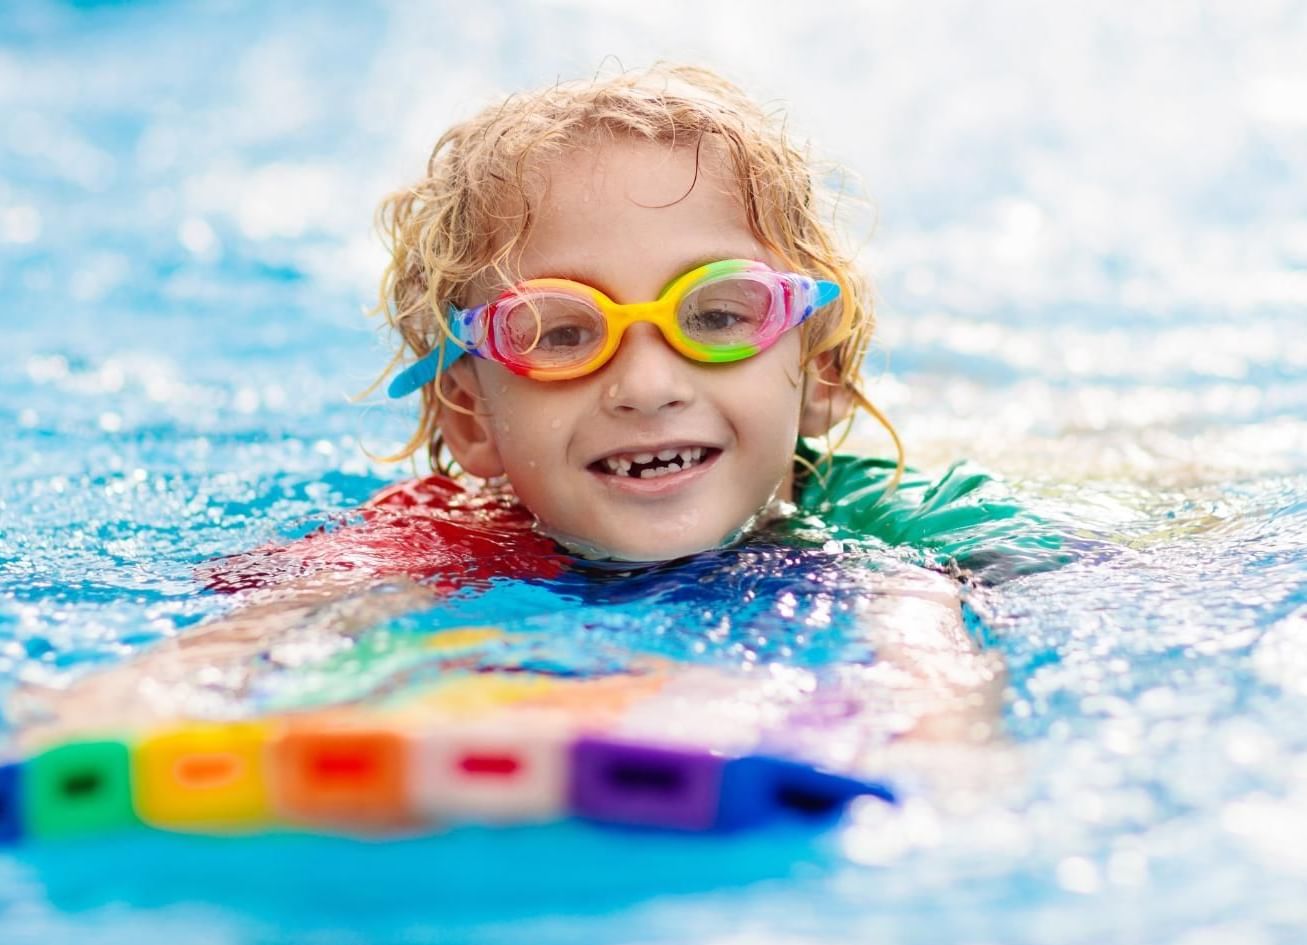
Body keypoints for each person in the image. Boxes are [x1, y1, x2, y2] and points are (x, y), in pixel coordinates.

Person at [12, 65, 1064, 752]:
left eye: (718, 314)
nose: (646, 381)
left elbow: (935, 667)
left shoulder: (901, 532)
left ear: (820, 372)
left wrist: (931, 754)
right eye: (560, 331)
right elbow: (227, 648)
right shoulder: (441, 537)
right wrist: (90, 730)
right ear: (470, 414)